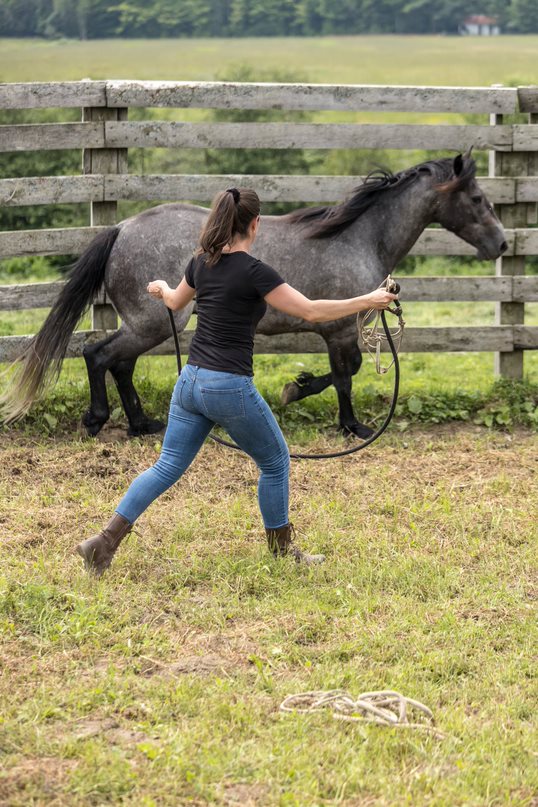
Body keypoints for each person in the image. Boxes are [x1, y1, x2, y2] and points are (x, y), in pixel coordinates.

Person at [76, 188, 397, 576]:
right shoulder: (256, 272)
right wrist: (370, 299)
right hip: (229, 388)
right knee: (276, 462)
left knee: (166, 467)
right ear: (255, 224)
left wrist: (161, 288)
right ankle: (282, 554)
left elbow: (176, 302)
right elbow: (311, 312)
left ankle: (104, 542)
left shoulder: (200, 263)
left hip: (190, 384)